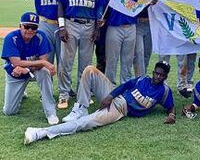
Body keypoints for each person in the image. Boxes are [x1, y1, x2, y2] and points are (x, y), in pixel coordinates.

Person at [24, 61, 176, 145]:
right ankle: (81, 107)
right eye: (156, 72)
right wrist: (110, 95)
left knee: (84, 123)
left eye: (162, 75)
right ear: (154, 71)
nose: (158, 76)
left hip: (120, 109)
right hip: (115, 97)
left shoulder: (164, 91)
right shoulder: (143, 79)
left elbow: (171, 107)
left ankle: (40, 132)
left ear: (166, 76)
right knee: (90, 69)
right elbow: (124, 86)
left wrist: (171, 115)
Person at [57, 0, 104, 109]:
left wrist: (97, 28)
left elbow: (99, 8)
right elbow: (61, 6)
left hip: (89, 25)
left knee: (86, 63)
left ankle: (82, 93)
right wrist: (62, 27)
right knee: (66, 61)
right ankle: (63, 95)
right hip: (71, 24)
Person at [2, 12, 59, 125]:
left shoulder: (41, 36)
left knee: (44, 72)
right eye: (27, 26)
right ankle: (21, 92)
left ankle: (51, 112)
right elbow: (16, 62)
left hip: (32, 71)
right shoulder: (11, 38)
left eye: (34, 27)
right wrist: (42, 62)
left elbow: (42, 65)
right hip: (15, 73)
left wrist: (27, 69)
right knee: (9, 111)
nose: (30, 30)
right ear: (20, 26)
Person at [158, 0, 194, 98]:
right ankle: (162, 84)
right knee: (163, 57)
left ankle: (182, 85)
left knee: (182, 58)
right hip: (166, 26)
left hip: (181, 26)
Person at [105, 0, 141, 85]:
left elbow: (141, 4)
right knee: (112, 59)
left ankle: (125, 85)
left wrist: (149, 2)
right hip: (114, 26)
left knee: (128, 60)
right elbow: (105, 7)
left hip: (131, 26)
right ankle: (110, 86)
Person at [133, 0, 161, 77]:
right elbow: (131, 2)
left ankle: (142, 78)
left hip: (152, 23)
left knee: (146, 54)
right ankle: (139, 78)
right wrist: (146, 1)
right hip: (138, 22)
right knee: (138, 53)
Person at [90, 0, 109, 73]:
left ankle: (100, 80)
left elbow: (110, 7)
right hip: (88, 25)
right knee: (86, 55)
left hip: (103, 28)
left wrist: (104, 19)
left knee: (102, 57)